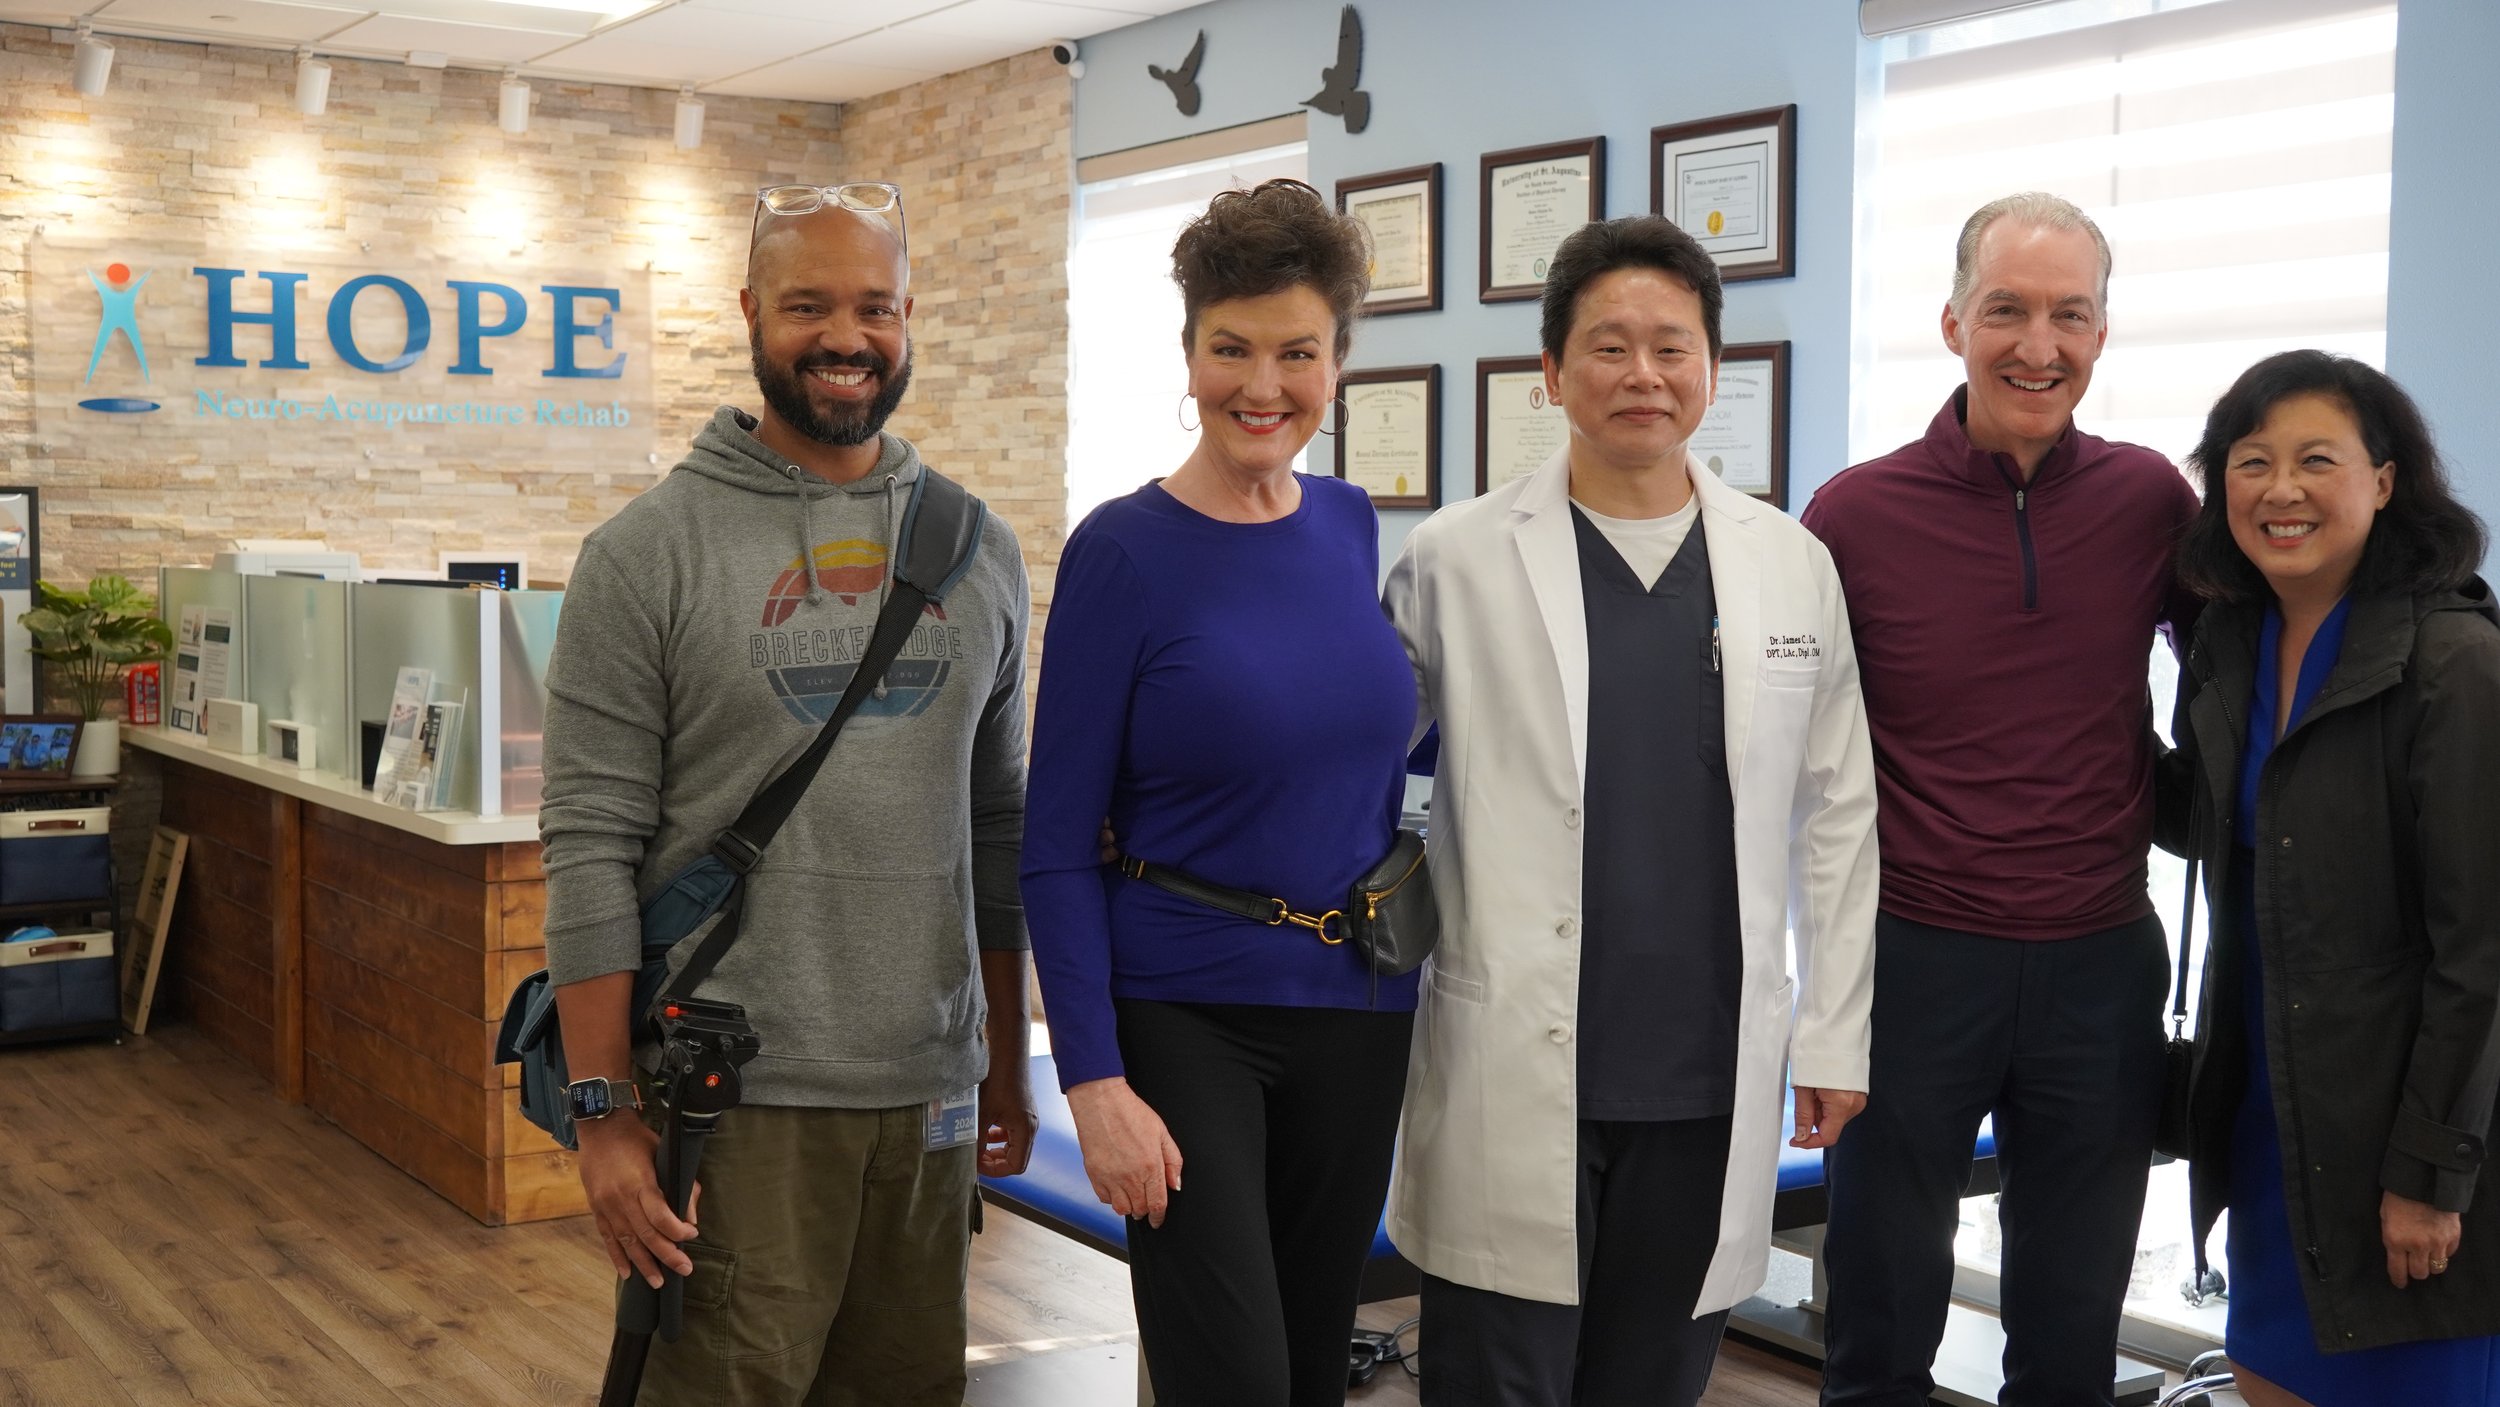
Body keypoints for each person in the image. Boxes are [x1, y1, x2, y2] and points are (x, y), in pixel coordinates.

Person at [537, 181, 1037, 1407]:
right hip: (731, 1100)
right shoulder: (646, 554)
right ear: (753, 312)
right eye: (808, 304)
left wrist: (1006, 1064)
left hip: (926, 1086)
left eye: (873, 306)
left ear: (909, 316)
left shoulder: (977, 550)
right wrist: (604, 1114)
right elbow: (589, 845)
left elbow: (997, 826)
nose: (845, 338)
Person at [1380, 214, 1878, 1407]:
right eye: (1607, 347)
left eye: (1672, 346)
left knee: (1652, 1385)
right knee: (1498, 1385)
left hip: (1706, 1070)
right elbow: (1356, 776)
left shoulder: (1786, 561)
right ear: (1551, 373)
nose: (1641, 375)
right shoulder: (1451, 560)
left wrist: (1833, 1032)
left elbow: (1838, 813)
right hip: (1514, 1051)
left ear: (1712, 369)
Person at [1019, 178, 1418, 1407]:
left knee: (1309, 1371)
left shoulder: (1350, 525)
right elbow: (1049, 845)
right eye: (1230, 349)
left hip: (1356, 1008)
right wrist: (1092, 1079)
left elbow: (1363, 756)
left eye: (1296, 352)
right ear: (1188, 355)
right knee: (1230, 1378)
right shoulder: (1123, 552)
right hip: (1185, 1014)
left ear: (1337, 361)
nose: (1262, 384)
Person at [1801, 192, 2200, 1407]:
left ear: (2100, 332)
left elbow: (2253, 680)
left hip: (2100, 960)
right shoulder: (1854, 514)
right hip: (1917, 957)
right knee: (1878, 1312)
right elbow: (1799, 757)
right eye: (2007, 311)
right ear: (1952, 322)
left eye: (2068, 315)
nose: (2039, 345)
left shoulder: (2150, 503)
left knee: (2072, 1323)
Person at [2164, 351, 2500, 1407]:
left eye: (2317, 460)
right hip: (2271, 1115)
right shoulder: (2227, 641)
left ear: (2386, 479)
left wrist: (2429, 1175)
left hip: (2407, 1135)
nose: (2281, 490)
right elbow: (2211, 820)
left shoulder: (2454, 662)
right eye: (2250, 462)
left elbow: (2481, 952)